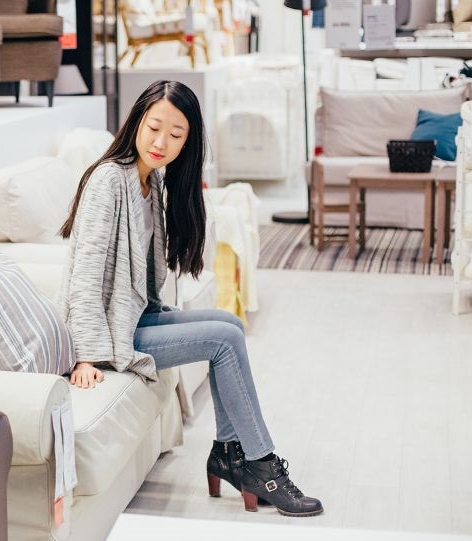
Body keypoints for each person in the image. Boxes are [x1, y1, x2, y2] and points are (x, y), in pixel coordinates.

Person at [57, 80, 322, 517]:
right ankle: (259, 463)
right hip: (111, 338)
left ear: (189, 141)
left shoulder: (151, 180)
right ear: (136, 121)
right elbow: (83, 277)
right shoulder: (108, 180)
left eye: (176, 135)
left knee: (230, 325)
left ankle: (228, 451)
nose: (161, 142)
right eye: (154, 127)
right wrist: (85, 356)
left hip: (137, 319)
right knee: (223, 340)